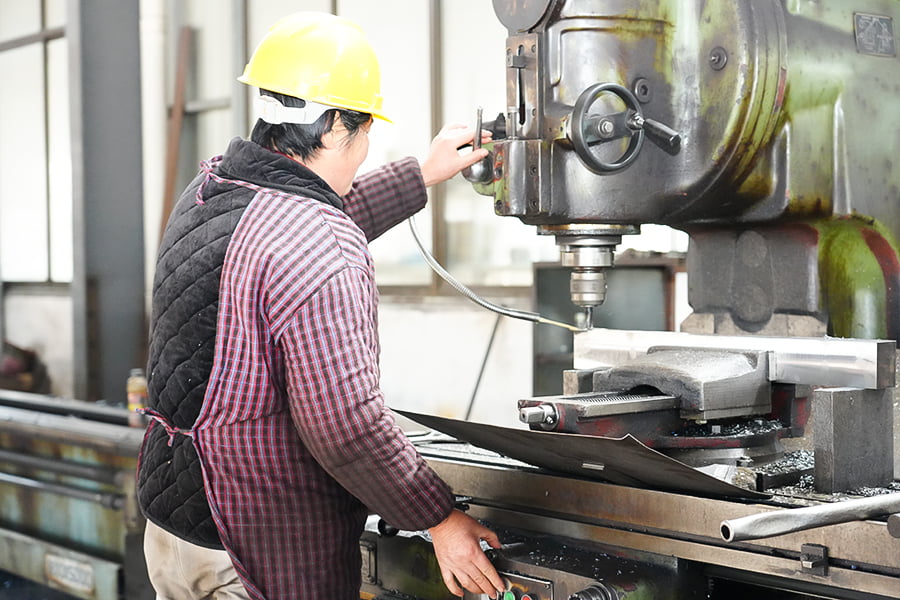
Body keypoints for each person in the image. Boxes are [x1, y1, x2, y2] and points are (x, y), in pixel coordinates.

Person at [135, 11, 505, 600]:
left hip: (175, 525)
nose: (365, 146)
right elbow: (346, 428)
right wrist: (438, 517)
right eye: (364, 129)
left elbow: (296, 234)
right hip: (253, 548)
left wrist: (422, 174)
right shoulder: (314, 239)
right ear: (334, 126)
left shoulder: (211, 190)